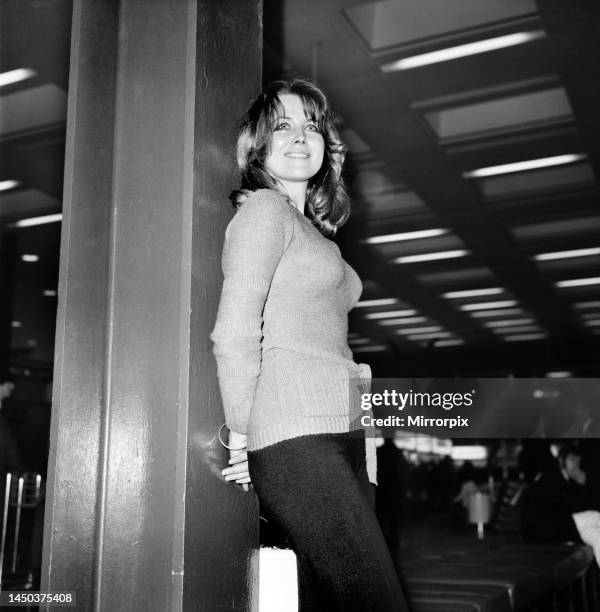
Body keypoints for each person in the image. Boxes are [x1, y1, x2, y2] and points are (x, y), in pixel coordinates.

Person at [211, 78, 409, 611]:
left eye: (312, 126)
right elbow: (233, 334)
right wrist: (246, 438)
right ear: (258, 145)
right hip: (299, 440)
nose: (301, 136)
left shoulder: (313, 229)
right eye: (282, 125)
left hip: (342, 429)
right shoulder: (264, 212)